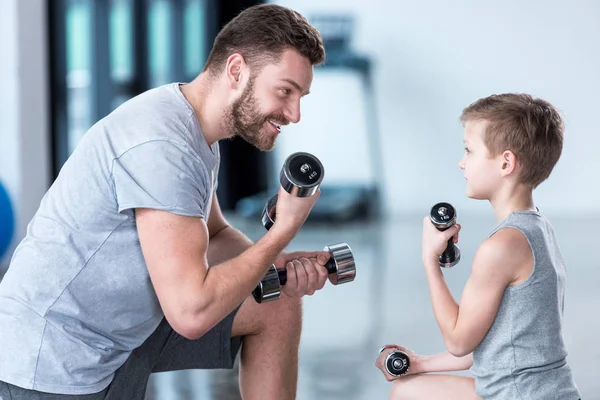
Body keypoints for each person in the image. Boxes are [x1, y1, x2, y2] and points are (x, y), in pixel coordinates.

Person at [0, 4, 331, 400]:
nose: (295, 113)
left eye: (300, 96)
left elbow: (216, 233)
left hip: (119, 334)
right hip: (56, 363)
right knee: (206, 304)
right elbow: (190, 313)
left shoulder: (192, 128)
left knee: (275, 303)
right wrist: (281, 233)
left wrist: (269, 263)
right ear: (237, 70)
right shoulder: (163, 145)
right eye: (285, 91)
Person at [376, 93, 581, 399]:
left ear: (506, 162)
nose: (462, 163)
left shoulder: (501, 247)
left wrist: (430, 262)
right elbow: (496, 341)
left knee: (406, 395)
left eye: (469, 151)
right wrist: (421, 363)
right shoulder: (538, 229)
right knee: (411, 386)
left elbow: (459, 341)